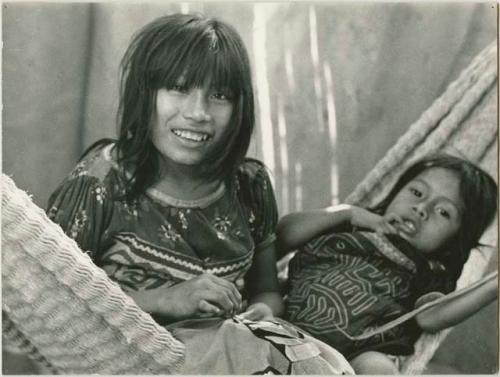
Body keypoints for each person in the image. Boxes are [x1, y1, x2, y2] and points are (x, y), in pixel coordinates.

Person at [46, 13, 353, 374]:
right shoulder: (100, 183)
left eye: (219, 96)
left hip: (235, 352)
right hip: (132, 359)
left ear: (239, 107)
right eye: (178, 88)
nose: (198, 112)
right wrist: (166, 299)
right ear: (146, 94)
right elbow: (55, 302)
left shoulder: (249, 186)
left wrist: (263, 312)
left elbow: (267, 291)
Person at [277, 154, 498, 374]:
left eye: (443, 212)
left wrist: (492, 287)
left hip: (359, 351)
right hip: (286, 322)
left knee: (378, 368)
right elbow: (284, 234)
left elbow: (430, 317)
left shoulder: (428, 268)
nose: (422, 208)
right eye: (417, 192)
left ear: (456, 239)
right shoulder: (351, 225)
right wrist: (347, 213)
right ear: (396, 191)